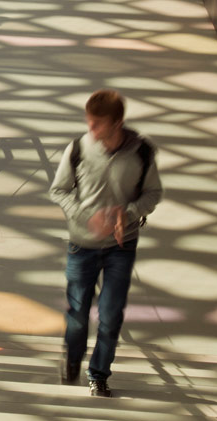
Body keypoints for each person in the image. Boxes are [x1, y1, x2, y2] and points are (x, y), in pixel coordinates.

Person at [49, 89, 163, 397]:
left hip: (121, 246)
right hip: (81, 245)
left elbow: (153, 193)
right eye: (89, 122)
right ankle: (72, 357)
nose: (91, 129)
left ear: (117, 122)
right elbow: (59, 190)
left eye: (98, 124)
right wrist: (86, 218)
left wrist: (128, 213)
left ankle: (98, 374)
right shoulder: (78, 148)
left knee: (111, 315)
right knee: (76, 314)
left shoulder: (142, 152)